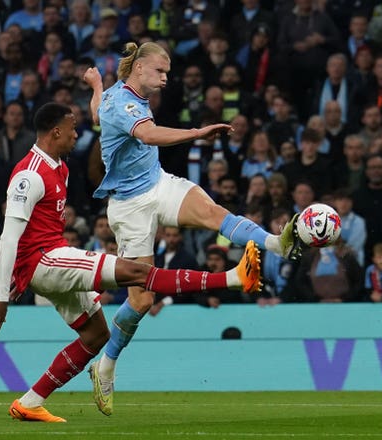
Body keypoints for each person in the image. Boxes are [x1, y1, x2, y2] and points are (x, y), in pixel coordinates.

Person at [0, 102, 263, 423]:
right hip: (44, 262)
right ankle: (234, 277)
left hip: (52, 257)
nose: (77, 135)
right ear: (55, 131)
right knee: (138, 273)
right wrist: (2, 297)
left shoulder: (60, 167)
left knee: (96, 335)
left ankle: (30, 402)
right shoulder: (30, 175)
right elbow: (8, 238)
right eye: (72, 129)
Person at [82, 41, 300, 416]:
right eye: (160, 72)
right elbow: (148, 135)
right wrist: (197, 132)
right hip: (129, 207)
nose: (166, 79)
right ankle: (106, 365)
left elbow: (97, 115)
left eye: (168, 72)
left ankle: (276, 244)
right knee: (142, 301)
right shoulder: (125, 104)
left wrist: (96, 87)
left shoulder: (117, 97)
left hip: (157, 184)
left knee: (213, 212)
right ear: (138, 70)